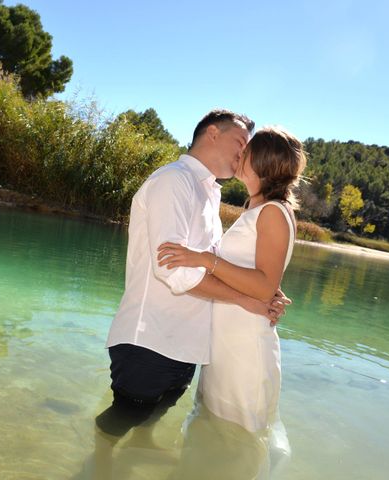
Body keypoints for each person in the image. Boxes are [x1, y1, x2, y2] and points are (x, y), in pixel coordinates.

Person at [95, 110, 290, 442]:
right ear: (212, 133)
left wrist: (269, 289)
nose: (244, 153)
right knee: (121, 421)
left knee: (149, 421)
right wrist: (248, 300)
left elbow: (214, 261)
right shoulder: (174, 181)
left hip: (187, 345)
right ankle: (97, 466)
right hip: (151, 340)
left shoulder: (208, 192)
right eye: (240, 142)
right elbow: (174, 269)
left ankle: (132, 462)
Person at [157, 125, 307, 434]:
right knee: (210, 431)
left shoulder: (274, 212)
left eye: (247, 149)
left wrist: (203, 259)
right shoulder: (257, 207)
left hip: (244, 344)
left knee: (236, 435)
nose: (240, 153)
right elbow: (258, 276)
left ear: (262, 161)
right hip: (226, 338)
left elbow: (264, 285)